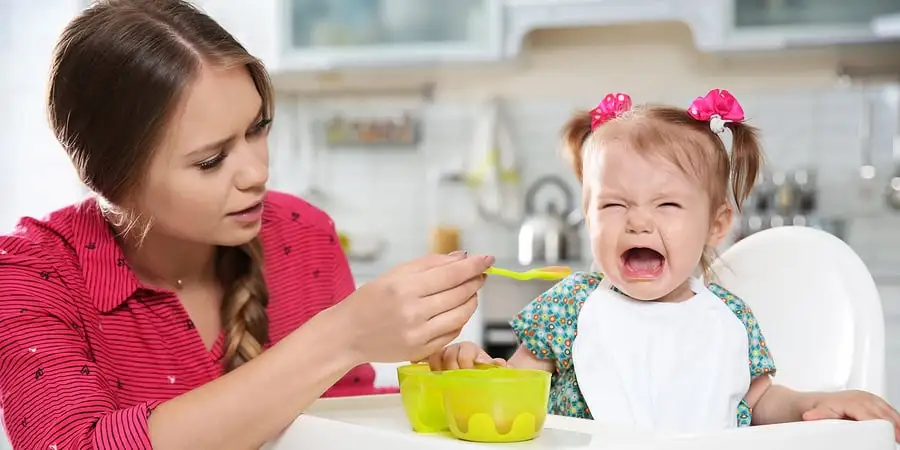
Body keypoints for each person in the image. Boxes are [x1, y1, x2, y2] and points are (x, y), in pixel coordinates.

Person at [0, 1, 493, 449]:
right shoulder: (31, 275)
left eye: (258, 129)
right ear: (110, 179)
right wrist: (342, 334)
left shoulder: (301, 234)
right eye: (211, 160)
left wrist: (441, 392)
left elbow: (340, 422)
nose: (257, 173)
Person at [428, 90, 900, 440]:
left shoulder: (730, 318)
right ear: (587, 216)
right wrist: (478, 372)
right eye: (613, 205)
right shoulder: (568, 306)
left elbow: (759, 401)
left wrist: (814, 402)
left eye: (667, 205)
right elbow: (516, 391)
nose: (638, 222)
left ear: (716, 225)